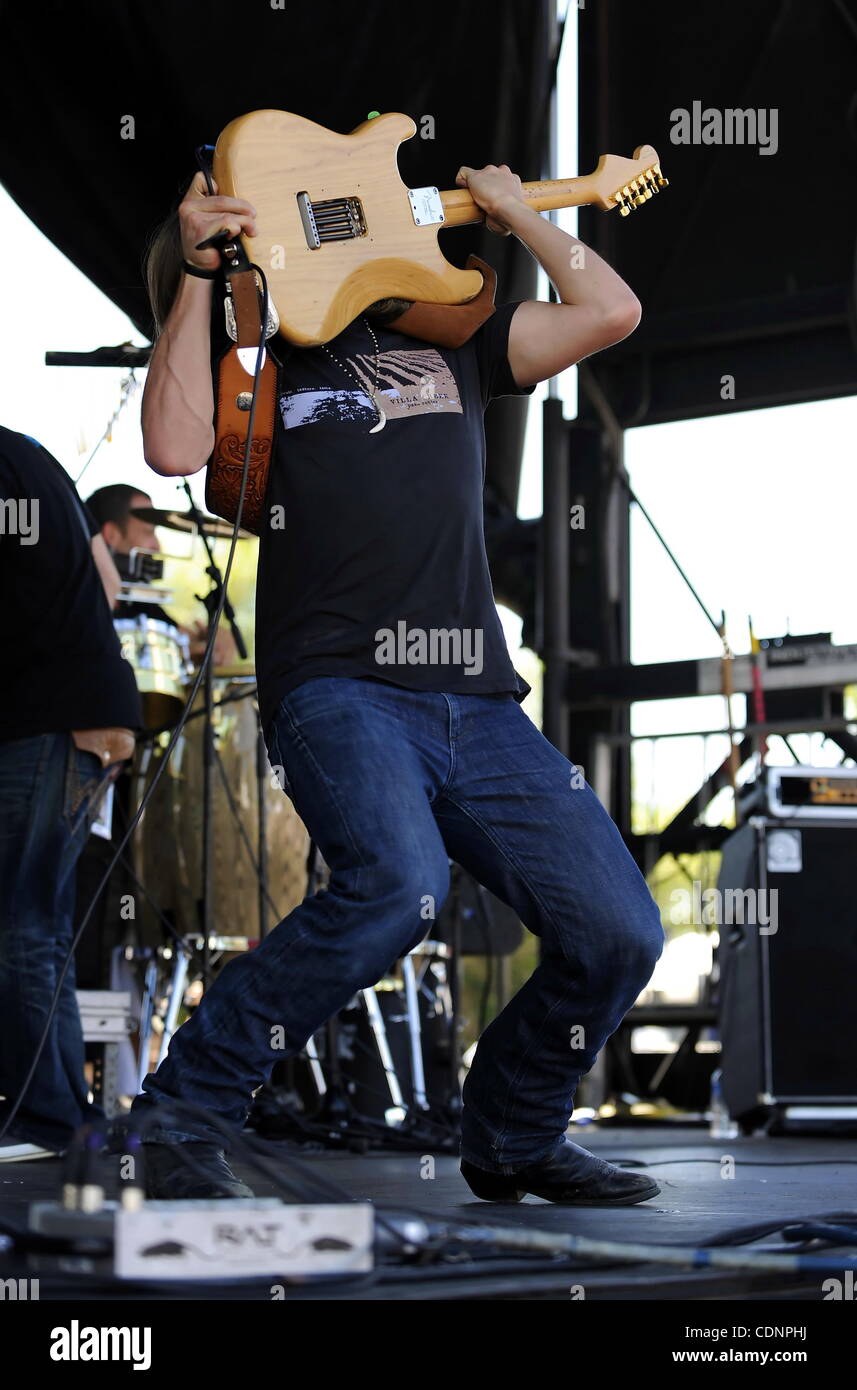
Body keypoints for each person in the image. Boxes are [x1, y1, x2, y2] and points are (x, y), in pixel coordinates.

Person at [130, 162, 665, 1205]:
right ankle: (181, 1111)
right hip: (338, 686)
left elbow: (609, 309)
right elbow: (171, 445)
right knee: (396, 889)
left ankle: (510, 1130)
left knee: (619, 931)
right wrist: (198, 278)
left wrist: (519, 215)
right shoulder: (263, 352)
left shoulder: (456, 343)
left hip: (476, 699)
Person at [0, 428, 142, 1161]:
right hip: (94, 709)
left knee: (20, 922)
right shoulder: (30, 455)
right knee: (38, 924)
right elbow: (110, 584)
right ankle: (61, 1118)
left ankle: (46, 1118)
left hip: (44, 716)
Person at [85, 482, 235, 663]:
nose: (157, 546)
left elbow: (179, 639)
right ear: (111, 535)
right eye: (149, 532)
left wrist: (209, 644)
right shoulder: (79, 598)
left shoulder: (140, 603)